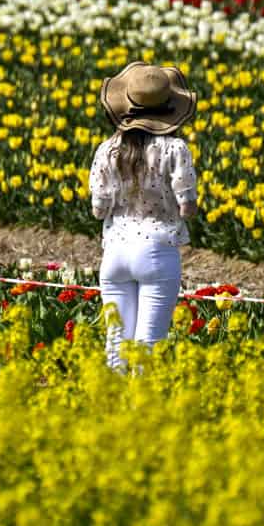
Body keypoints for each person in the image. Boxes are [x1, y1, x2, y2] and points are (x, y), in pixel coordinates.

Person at [89, 60, 199, 372]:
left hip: (115, 252)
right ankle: (141, 413)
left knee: (116, 345)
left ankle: (111, 407)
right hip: (157, 251)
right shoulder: (176, 149)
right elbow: (186, 206)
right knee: (148, 346)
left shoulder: (107, 150)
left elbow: (99, 210)